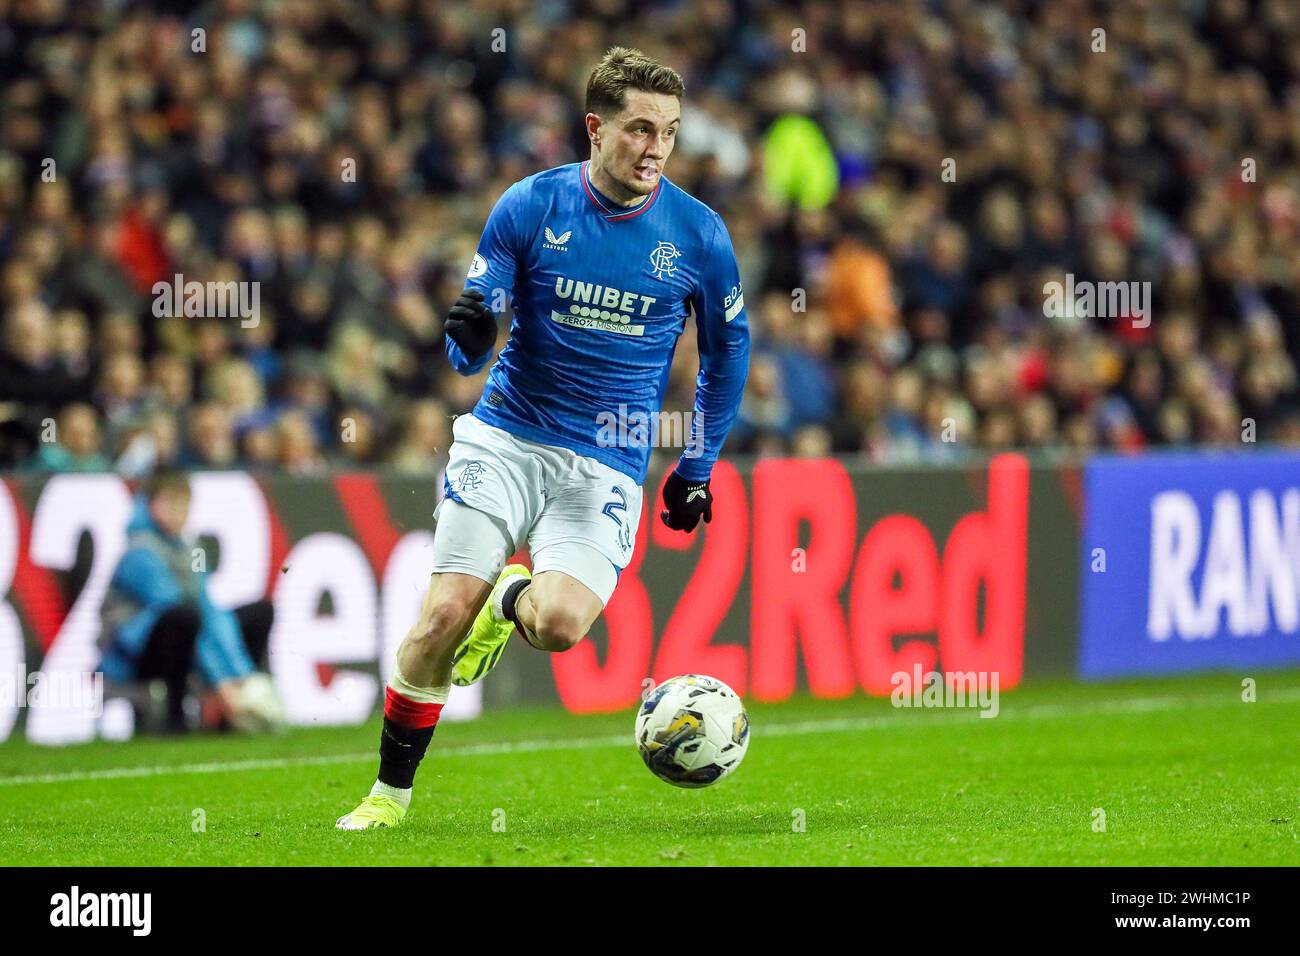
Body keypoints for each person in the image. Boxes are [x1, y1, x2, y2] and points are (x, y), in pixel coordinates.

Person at [337, 47, 750, 829]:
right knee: (439, 617)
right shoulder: (530, 206)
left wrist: (697, 466)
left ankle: (513, 596)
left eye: (668, 131)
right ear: (595, 128)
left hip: (608, 458)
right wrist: (468, 332)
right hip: (507, 436)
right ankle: (388, 798)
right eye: (638, 129)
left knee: (558, 626)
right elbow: (469, 343)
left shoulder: (700, 235)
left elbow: (729, 358)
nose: (655, 148)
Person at [98, 471, 284, 733]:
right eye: (171, 502)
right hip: (133, 656)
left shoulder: (190, 548)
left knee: (258, 612)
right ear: (151, 504)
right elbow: (176, 608)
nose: (179, 512)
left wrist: (239, 674)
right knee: (183, 617)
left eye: (184, 504)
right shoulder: (139, 552)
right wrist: (219, 682)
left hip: (185, 636)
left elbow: (209, 610)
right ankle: (175, 717)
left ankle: (236, 707)